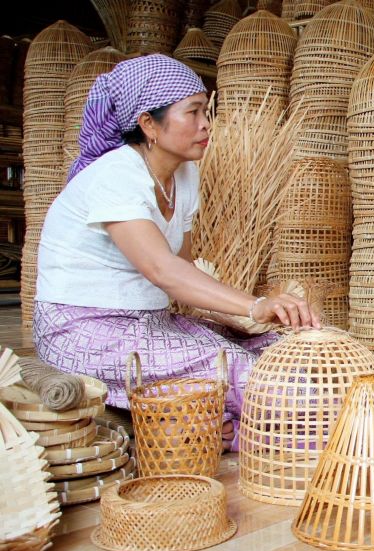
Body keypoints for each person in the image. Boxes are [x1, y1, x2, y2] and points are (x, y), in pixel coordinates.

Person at [34, 54, 319, 450]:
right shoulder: (115, 174)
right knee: (237, 368)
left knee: (272, 349)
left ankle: (218, 426)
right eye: (193, 112)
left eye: (206, 110)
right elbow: (162, 270)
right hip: (82, 330)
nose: (206, 123)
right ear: (149, 124)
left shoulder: (183, 174)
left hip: (148, 322)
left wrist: (243, 321)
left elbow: (184, 269)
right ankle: (307, 436)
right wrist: (255, 305)